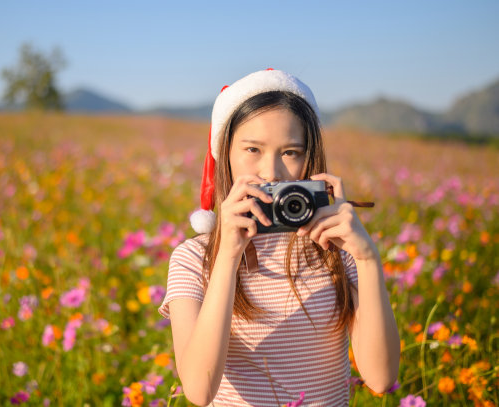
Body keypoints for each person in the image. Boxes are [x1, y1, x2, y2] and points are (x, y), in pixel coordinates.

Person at [158, 69, 400, 406]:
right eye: (253, 149)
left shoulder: (338, 249)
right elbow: (199, 391)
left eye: (290, 152)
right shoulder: (192, 259)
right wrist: (227, 255)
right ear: (225, 154)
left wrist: (367, 259)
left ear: (309, 157)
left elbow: (381, 378)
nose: (271, 172)